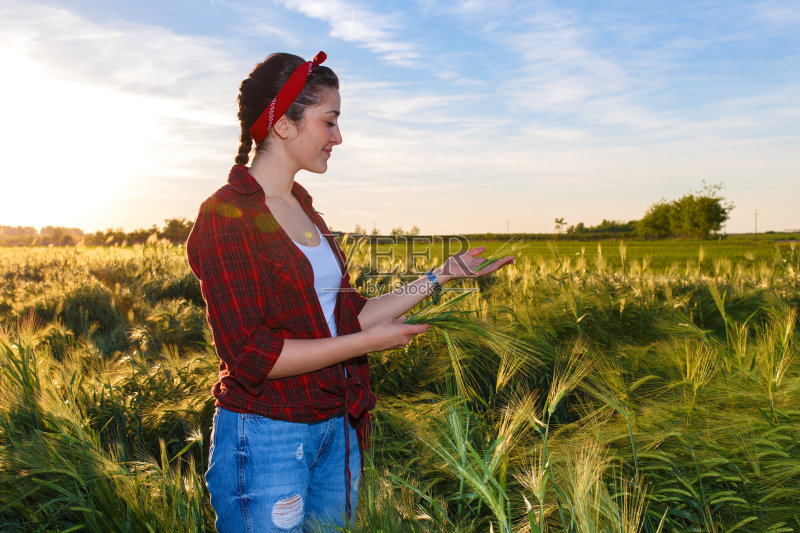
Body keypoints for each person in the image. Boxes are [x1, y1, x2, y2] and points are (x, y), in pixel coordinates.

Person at [186, 51, 514, 533]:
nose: (338, 137)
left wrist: (442, 275)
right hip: (269, 434)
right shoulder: (226, 215)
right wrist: (366, 346)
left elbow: (348, 317)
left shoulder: (305, 211)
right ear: (283, 125)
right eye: (329, 121)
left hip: (335, 427)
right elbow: (251, 355)